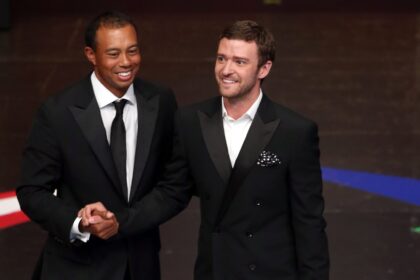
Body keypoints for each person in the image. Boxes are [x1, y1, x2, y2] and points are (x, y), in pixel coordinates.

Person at [81, 20, 329, 279]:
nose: (226, 70)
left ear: (264, 68)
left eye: (240, 62)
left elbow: (309, 222)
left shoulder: (295, 131)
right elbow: (172, 193)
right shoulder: (190, 122)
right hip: (215, 271)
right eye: (222, 58)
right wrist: (119, 220)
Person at [16, 11, 178, 280]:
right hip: (76, 267)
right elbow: (32, 191)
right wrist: (81, 223)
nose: (126, 62)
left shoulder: (161, 101)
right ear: (91, 55)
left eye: (133, 51)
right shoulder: (58, 112)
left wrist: (122, 223)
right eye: (113, 54)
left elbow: (174, 184)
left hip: (141, 265)